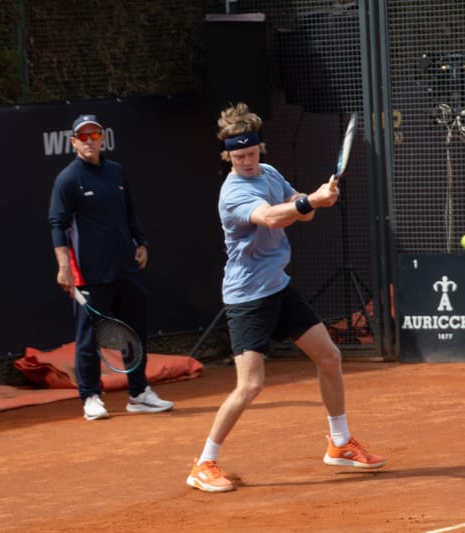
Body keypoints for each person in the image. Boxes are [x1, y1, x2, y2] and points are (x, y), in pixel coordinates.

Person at [186, 103, 385, 493]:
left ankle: (340, 443)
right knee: (250, 386)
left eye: (250, 153)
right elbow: (273, 218)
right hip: (248, 298)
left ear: (261, 148)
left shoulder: (270, 173)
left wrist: (318, 197)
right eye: (237, 156)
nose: (245, 161)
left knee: (329, 356)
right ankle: (204, 463)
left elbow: (302, 213)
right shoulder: (233, 192)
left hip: (278, 286)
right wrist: (309, 201)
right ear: (227, 155)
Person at [48, 113, 173, 421]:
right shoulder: (67, 180)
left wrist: (140, 242)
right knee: (89, 339)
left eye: (95, 136)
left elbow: (130, 212)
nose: (90, 141)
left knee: (135, 333)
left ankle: (139, 393)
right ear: (73, 141)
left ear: (103, 138)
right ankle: (90, 396)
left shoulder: (116, 172)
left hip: (125, 270)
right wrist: (64, 267)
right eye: (83, 137)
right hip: (90, 275)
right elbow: (58, 225)